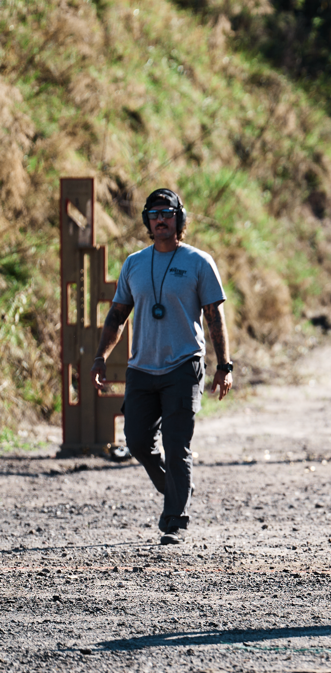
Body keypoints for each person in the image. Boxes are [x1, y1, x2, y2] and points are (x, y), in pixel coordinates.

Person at [90, 189, 234, 546]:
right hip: (142, 368)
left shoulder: (199, 262)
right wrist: (100, 357)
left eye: (167, 213)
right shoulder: (134, 263)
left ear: (178, 219)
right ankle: (174, 486)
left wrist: (224, 365)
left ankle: (174, 520)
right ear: (147, 220)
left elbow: (215, 317)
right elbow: (117, 315)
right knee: (137, 441)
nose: (160, 220)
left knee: (176, 442)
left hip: (184, 366)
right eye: (154, 214)